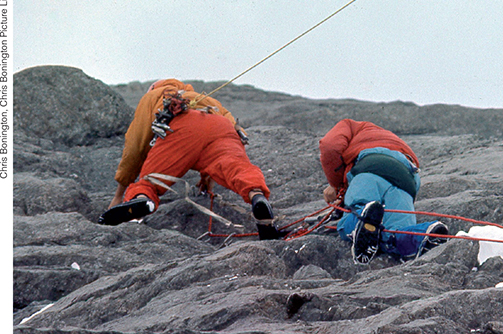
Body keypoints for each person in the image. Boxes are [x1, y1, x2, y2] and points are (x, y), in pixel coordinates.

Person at [99, 78, 280, 240]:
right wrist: (206, 180)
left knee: (150, 181)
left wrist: (119, 193)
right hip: (222, 128)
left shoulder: (154, 95)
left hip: (184, 126)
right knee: (237, 169)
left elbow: (135, 145)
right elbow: (221, 133)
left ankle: (142, 199)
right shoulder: (206, 98)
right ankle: (257, 198)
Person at [319, 118, 449, 263]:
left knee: (351, 217)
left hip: (371, 164)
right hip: (408, 177)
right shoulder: (391, 138)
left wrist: (336, 185)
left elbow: (329, 145)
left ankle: (362, 219)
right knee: (395, 232)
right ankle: (423, 235)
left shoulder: (351, 125)